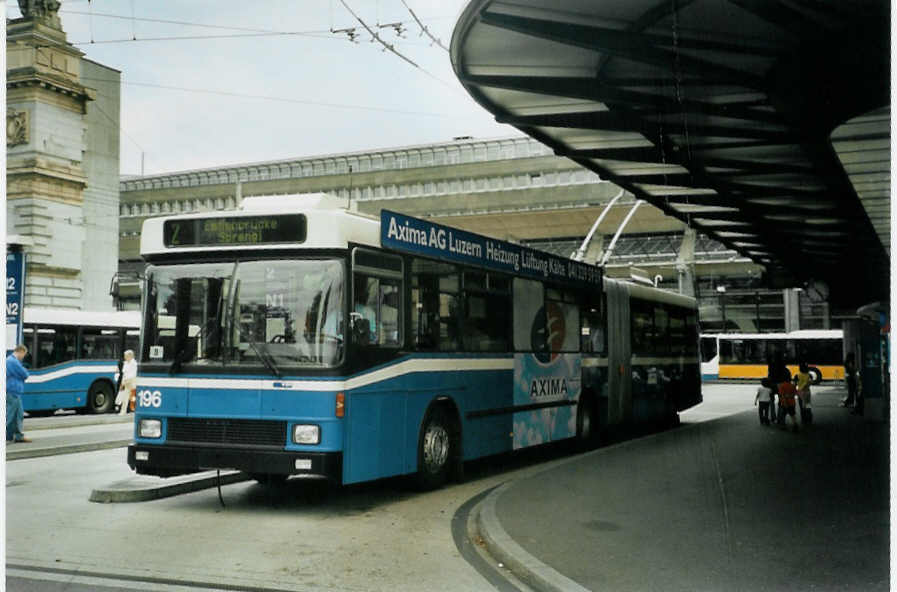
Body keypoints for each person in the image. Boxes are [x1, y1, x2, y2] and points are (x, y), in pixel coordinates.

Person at [6, 345, 32, 443]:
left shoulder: (10, 360)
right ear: (20, 351)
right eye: (24, 354)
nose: (23, 357)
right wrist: (24, 372)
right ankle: (9, 436)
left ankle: (18, 435)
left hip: (14, 391)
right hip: (13, 391)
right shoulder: (13, 362)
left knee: (18, 414)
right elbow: (25, 374)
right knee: (10, 415)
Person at [115, 349, 138, 415]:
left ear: (130, 356)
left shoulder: (134, 363)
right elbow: (124, 374)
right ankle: (123, 411)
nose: (124, 357)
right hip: (126, 381)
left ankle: (133, 410)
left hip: (132, 381)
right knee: (125, 397)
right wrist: (122, 383)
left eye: (126, 356)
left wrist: (126, 381)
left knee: (133, 397)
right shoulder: (125, 363)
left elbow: (133, 374)